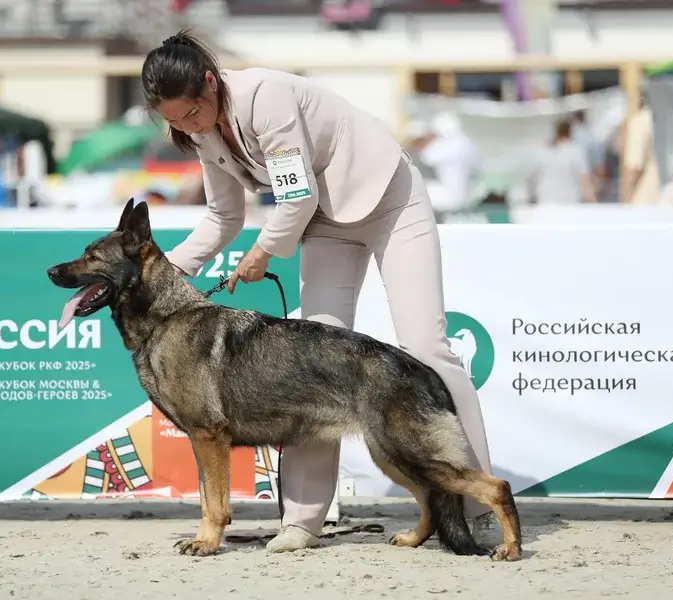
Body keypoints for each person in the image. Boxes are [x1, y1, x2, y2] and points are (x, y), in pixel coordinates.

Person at [141, 30, 494, 553]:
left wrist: (263, 252)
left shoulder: (266, 97)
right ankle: (303, 521)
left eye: (191, 115)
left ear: (211, 85)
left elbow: (295, 193)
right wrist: (162, 274)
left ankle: (476, 503)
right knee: (312, 362)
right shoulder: (199, 129)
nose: (187, 128)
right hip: (321, 221)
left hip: (388, 200)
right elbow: (222, 216)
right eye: (174, 123)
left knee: (427, 347)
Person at [527, 119, 597, 205]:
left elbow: (531, 179)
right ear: (570, 132)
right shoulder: (575, 151)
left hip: (546, 202)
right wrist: (592, 201)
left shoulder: (542, 151)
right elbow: (584, 179)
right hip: (569, 203)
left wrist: (531, 198)